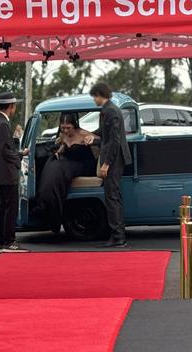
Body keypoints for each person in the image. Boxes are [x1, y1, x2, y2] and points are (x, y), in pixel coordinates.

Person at [32, 113, 97, 233]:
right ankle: (45, 203)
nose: (66, 131)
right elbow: (63, 148)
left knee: (60, 169)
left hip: (84, 163)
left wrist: (93, 139)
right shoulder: (62, 135)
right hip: (68, 162)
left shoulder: (82, 133)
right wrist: (58, 152)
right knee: (51, 164)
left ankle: (51, 207)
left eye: (68, 128)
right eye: (63, 128)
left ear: (74, 126)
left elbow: (99, 139)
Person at [84, 82, 132, 247]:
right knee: (113, 197)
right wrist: (92, 137)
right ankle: (118, 234)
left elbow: (114, 141)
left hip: (114, 160)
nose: (94, 100)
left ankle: (118, 236)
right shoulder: (109, 110)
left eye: (94, 97)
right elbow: (104, 134)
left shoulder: (110, 111)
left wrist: (106, 164)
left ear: (99, 95)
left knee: (112, 197)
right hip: (115, 159)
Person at [0, 92, 30, 253]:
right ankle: (9, 242)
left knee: (3, 206)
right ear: (11, 106)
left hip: (0, 172)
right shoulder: (3, 124)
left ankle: (1, 241)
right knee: (10, 207)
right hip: (6, 172)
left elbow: (3, 147)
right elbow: (5, 151)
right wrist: (21, 155)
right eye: (14, 106)